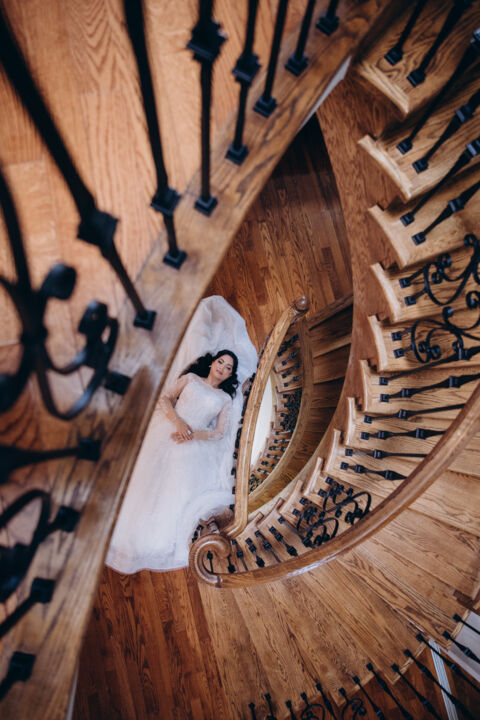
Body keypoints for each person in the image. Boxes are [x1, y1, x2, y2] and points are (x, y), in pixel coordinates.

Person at [106, 296, 257, 573]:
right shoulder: (190, 379)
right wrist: (177, 423)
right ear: (212, 363)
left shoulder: (224, 398)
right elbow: (163, 398)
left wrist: (194, 434)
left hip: (194, 440)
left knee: (178, 482)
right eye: (221, 362)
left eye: (228, 368)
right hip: (169, 428)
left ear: (229, 375)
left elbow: (220, 432)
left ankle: (161, 536)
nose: (223, 368)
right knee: (144, 475)